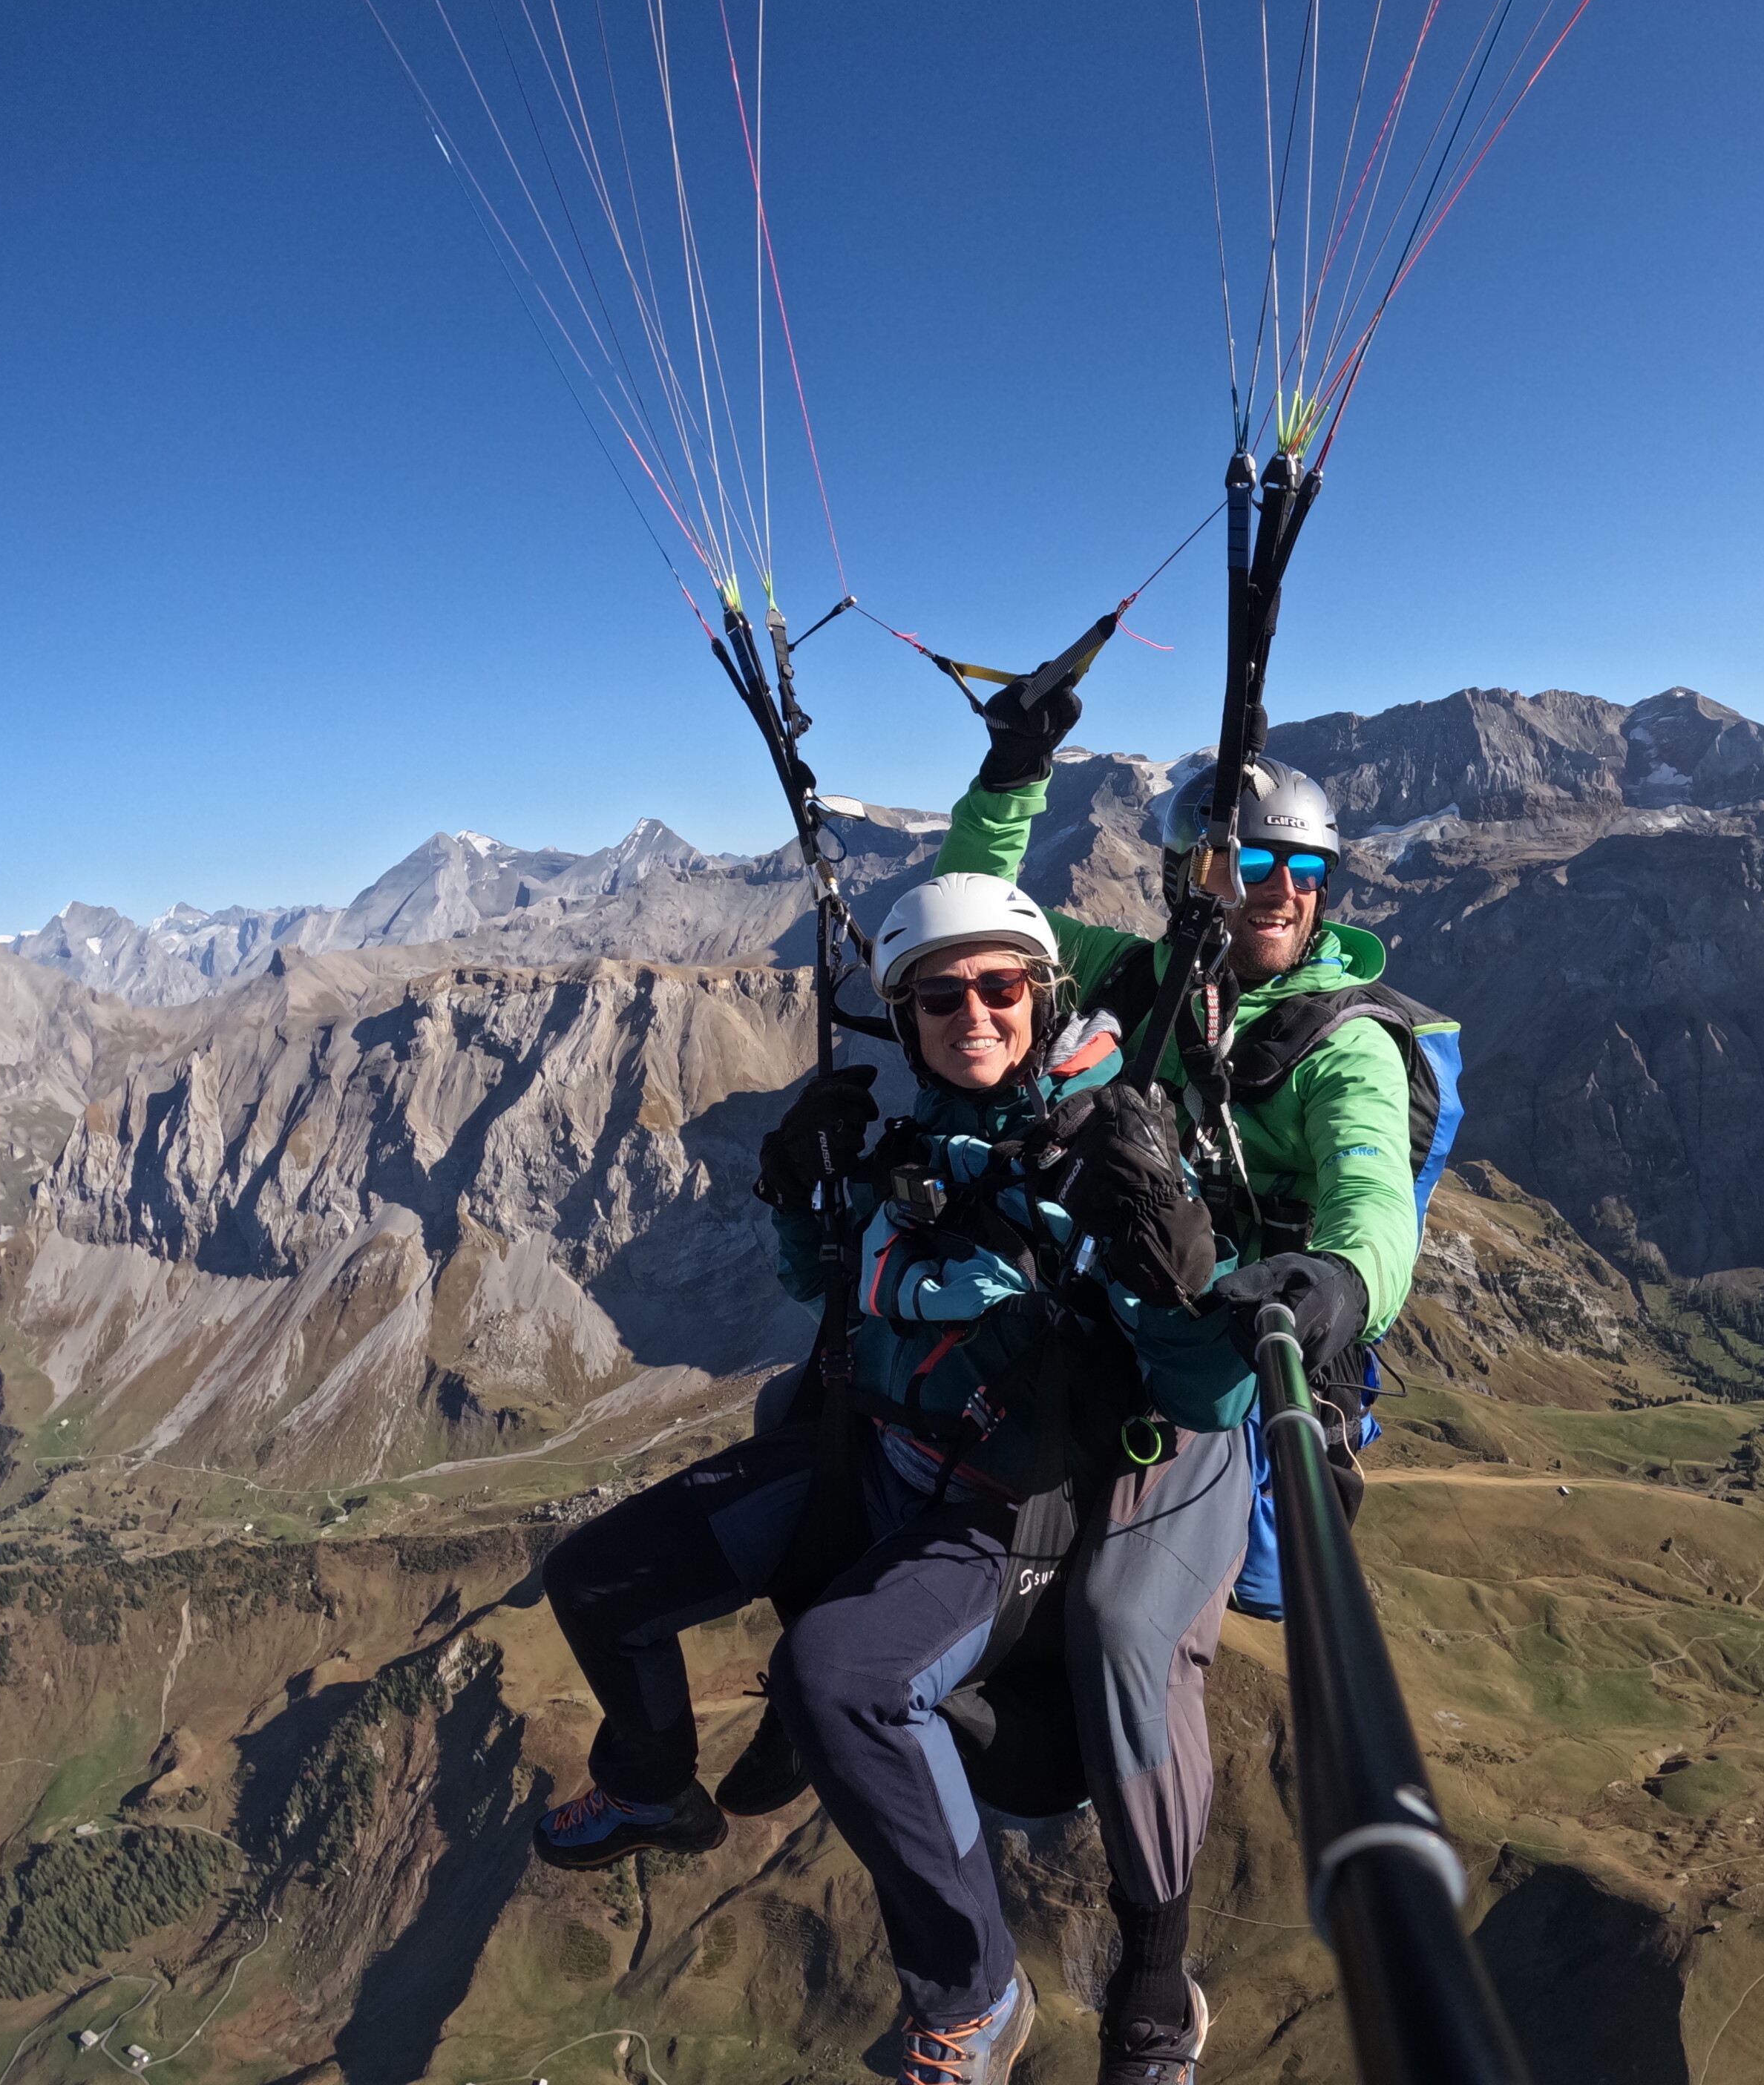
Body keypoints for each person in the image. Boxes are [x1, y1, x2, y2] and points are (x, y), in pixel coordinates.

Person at [533, 871, 1256, 2085]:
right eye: (939, 997)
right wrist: (797, 1196)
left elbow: (1209, 1398)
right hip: (864, 1455)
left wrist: (1179, 1274)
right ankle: (652, 1784)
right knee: (598, 1578)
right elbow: (832, 1296)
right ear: (909, 1020)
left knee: (841, 1678)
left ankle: (975, 1992)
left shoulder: (1102, 1171)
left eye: (1000, 987)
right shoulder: (905, 1149)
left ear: (1042, 996)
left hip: (995, 1516)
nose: (973, 1012)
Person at [940, 677, 1422, 1455]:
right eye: (1256, 860)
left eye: (1307, 872)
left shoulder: (1347, 1042)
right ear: (1187, 875)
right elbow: (972, 919)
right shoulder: (1129, 975)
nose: (1281, 891)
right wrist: (1010, 781)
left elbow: (1373, 1193)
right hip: (1117, 1306)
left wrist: (1344, 1281)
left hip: (1240, 1349)